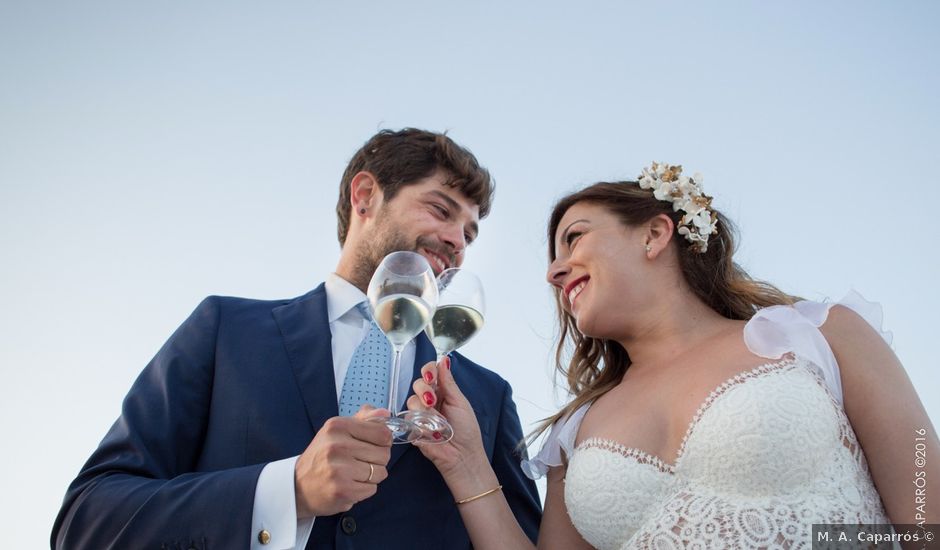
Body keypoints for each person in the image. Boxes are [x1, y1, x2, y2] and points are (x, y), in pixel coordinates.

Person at [51, 128, 541, 550]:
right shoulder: (226, 331)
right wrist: (287, 492)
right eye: (441, 209)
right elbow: (87, 522)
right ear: (365, 195)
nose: (457, 239)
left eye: (469, 234)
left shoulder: (487, 397)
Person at [406, 163, 939, 549]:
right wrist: (467, 463)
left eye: (574, 239)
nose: (554, 271)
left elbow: (925, 504)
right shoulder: (578, 429)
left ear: (656, 234)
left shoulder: (820, 334)